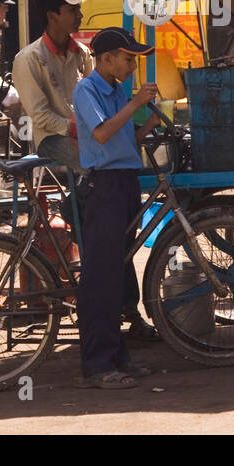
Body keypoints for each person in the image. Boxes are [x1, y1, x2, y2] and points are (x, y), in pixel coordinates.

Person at [72, 27, 163, 389]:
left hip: (125, 181)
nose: (131, 65)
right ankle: (97, 364)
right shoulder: (87, 89)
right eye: (127, 59)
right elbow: (100, 135)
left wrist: (149, 124)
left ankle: (117, 357)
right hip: (104, 186)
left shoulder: (119, 90)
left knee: (119, 272)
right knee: (101, 278)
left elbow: (125, 140)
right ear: (106, 58)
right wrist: (136, 104)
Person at [11, 0, 92, 174]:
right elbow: (40, 114)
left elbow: (92, 99)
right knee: (95, 164)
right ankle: (72, 205)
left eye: (78, 9)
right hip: (50, 138)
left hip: (85, 132)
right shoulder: (29, 58)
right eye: (72, 10)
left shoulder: (82, 53)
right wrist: (73, 128)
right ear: (52, 16)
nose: (80, 15)